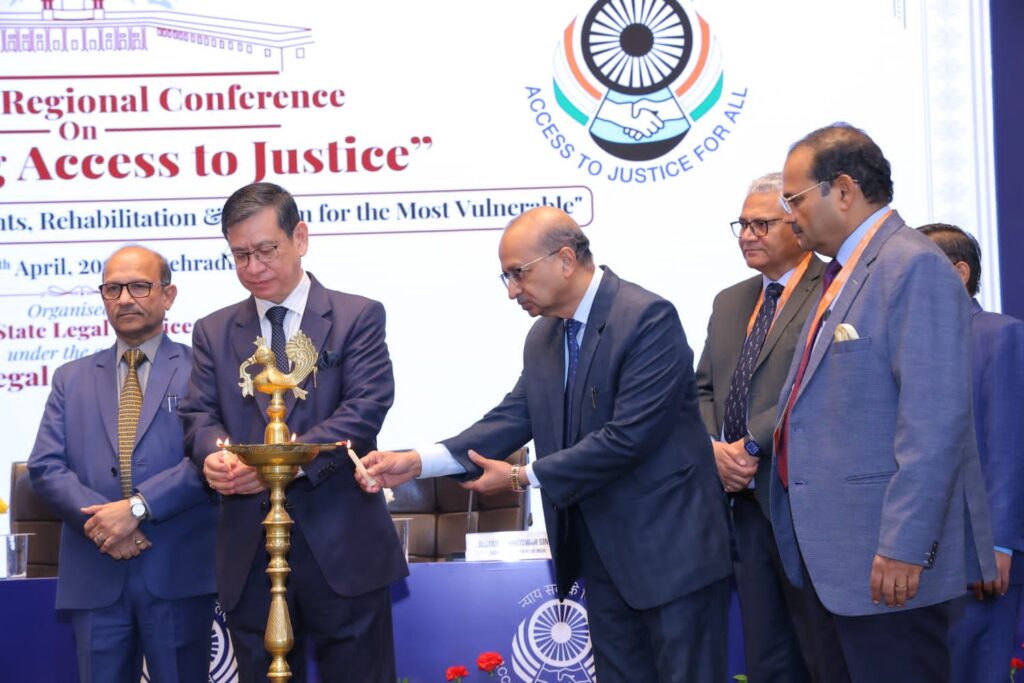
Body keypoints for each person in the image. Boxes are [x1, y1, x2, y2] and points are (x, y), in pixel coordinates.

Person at [357, 206, 733, 682]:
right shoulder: (543, 336)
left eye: (519, 273)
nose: (512, 290)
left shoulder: (646, 318)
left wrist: (521, 476)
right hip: (600, 557)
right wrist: (416, 463)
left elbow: (627, 438)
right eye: (506, 277)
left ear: (565, 259)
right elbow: (513, 417)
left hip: (671, 554)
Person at [768, 123, 996, 682]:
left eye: (795, 198)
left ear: (844, 190)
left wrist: (904, 545)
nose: (789, 215)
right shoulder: (840, 273)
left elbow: (933, 422)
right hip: (837, 563)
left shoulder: (911, 265)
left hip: (886, 565)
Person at [179, 182, 405, 683]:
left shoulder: (356, 316)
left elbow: (364, 410)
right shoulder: (213, 331)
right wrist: (214, 458)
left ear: (300, 237)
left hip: (342, 545)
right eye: (241, 255)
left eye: (266, 250)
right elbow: (198, 416)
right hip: (249, 551)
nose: (254, 267)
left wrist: (275, 467)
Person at [28, 246, 216, 682]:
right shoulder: (70, 378)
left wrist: (137, 508)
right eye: (113, 289)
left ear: (168, 295)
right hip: (95, 571)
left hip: (176, 568)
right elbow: (46, 466)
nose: (125, 298)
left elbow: (209, 458)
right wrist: (104, 526)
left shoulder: (201, 370)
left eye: (138, 286)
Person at [695, 172, 824, 682]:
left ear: (797, 225)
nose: (747, 235)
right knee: (767, 657)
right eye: (742, 225)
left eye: (761, 224)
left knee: (823, 653)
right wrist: (715, 450)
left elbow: (816, 385)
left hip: (804, 501)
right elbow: (701, 389)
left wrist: (751, 446)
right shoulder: (730, 300)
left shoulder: (833, 288)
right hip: (742, 509)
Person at [920, 223, 1024, 683]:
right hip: (916, 558)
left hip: (976, 557)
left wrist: (994, 544)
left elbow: (1008, 447)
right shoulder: (909, 344)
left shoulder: (1000, 335)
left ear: (960, 273)